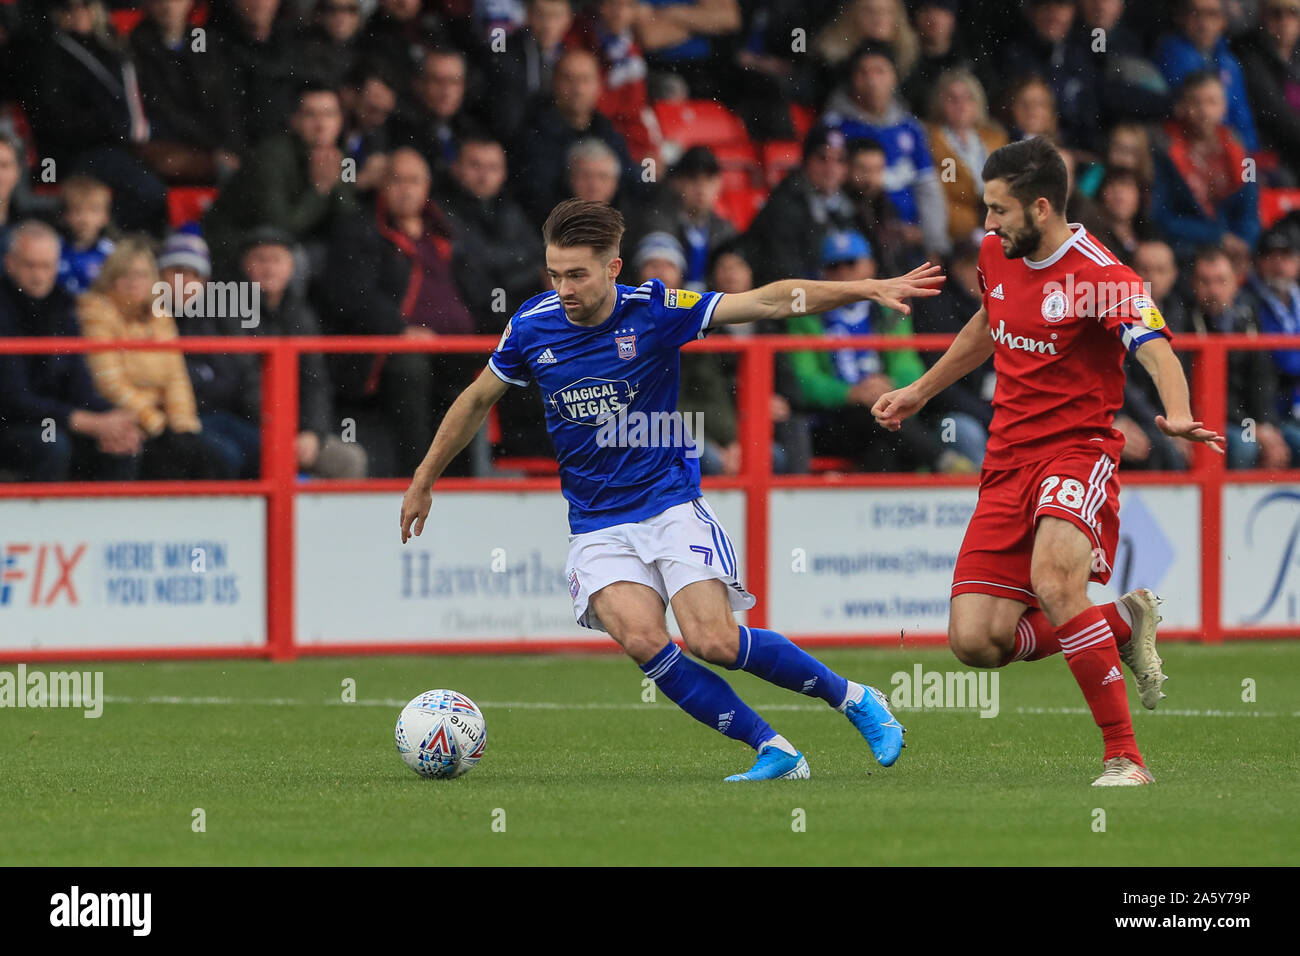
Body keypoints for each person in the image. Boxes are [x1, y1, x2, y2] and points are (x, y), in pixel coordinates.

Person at [400, 198, 944, 781]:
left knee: (713, 641)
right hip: (596, 524)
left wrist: (863, 289)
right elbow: (477, 398)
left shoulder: (656, 309)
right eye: (555, 274)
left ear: (612, 269)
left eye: (577, 274)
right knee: (642, 639)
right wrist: (424, 478)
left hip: (668, 505)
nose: (564, 288)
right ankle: (774, 751)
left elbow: (765, 299)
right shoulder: (531, 326)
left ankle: (857, 699)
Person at [872, 137, 1224, 786]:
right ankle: (1119, 620)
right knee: (976, 642)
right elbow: (988, 319)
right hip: (1007, 461)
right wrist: (921, 390)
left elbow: (1156, 348)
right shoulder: (993, 254)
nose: (986, 224)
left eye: (999, 210)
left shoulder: (1102, 276)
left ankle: (1124, 755)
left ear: (1040, 208)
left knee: (1056, 585)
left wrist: (1175, 410)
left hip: (1076, 452)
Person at [78, 236, 233, 480]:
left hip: (160, 421)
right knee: (142, 452)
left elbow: (176, 378)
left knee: (212, 456)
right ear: (109, 277)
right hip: (119, 415)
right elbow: (108, 381)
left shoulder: (159, 314)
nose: (132, 283)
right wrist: (157, 425)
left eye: (140, 275)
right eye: (124, 275)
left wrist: (183, 427)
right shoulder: (94, 311)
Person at [0, 221, 140, 481]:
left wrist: (113, 419)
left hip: (55, 419)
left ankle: (112, 522)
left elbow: (79, 381)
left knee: (122, 444)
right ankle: (39, 522)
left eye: (47, 266)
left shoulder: (63, 306)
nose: (39, 275)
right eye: (30, 265)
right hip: (14, 424)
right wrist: (87, 422)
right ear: (9, 263)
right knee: (53, 445)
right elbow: (14, 399)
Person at [56, 175, 116, 296]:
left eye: (93, 210)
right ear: (64, 215)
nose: (85, 219)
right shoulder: (53, 250)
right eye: (77, 211)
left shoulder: (113, 253)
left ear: (106, 216)